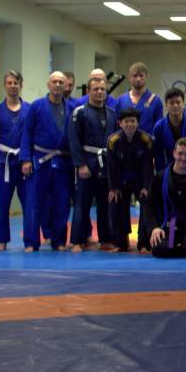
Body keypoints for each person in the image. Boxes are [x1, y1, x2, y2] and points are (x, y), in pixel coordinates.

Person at [20, 71, 74, 252]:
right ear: (48, 84)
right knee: (34, 203)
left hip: (62, 162)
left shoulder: (71, 108)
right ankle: (30, 242)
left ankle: (58, 241)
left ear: (65, 86)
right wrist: (25, 159)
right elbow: (27, 133)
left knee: (62, 203)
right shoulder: (36, 106)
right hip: (39, 161)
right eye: (54, 82)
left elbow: (74, 138)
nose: (58, 85)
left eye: (61, 82)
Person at [68, 77, 117, 252]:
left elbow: (115, 140)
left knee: (105, 204)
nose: (99, 92)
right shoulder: (79, 112)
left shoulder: (112, 113)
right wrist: (80, 164)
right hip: (87, 161)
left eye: (102, 89)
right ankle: (77, 240)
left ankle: (106, 239)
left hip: (106, 163)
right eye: (95, 89)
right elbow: (73, 140)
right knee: (82, 203)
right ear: (88, 91)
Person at [146, 138, 186, 258]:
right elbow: (149, 206)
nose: (183, 158)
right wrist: (154, 228)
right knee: (160, 249)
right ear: (174, 153)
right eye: (180, 153)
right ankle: (174, 247)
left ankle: (181, 248)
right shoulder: (160, 177)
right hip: (169, 226)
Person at [106, 108, 154, 252]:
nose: (129, 124)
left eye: (133, 121)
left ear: (137, 123)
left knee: (146, 203)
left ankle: (144, 243)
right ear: (120, 123)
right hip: (121, 180)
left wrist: (147, 186)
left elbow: (148, 166)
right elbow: (111, 166)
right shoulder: (113, 141)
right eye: (126, 121)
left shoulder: (146, 140)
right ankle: (121, 243)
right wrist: (114, 188)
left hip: (140, 179)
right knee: (115, 203)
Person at [0, 71, 29, 250]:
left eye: (16, 83)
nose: (13, 86)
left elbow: (32, 137)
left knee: (28, 203)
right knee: (3, 204)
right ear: (4, 85)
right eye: (9, 83)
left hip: (24, 163)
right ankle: (2, 241)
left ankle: (30, 240)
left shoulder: (29, 109)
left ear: (21, 85)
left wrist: (29, 159)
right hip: (3, 163)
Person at [152, 87, 186, 170]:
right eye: (171, 103)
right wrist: (161, 173)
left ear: (183, 104)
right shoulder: (159, 127)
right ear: (166, 106)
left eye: (178, 102)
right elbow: (158, 155)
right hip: (169, 169)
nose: (175, 105)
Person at [114, 62, 163, 134]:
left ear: (146, 77)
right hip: (124, 140)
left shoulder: (155, 101)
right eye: (135, 76)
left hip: (148, 140)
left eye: (141, 75)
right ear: (129, 77)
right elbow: (116, 126)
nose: (138, 79)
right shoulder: (120, 100)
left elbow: (159, 129)